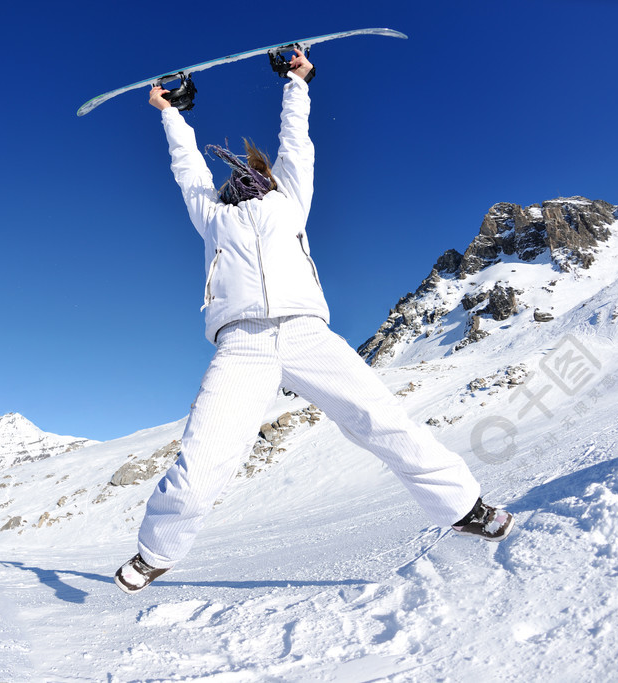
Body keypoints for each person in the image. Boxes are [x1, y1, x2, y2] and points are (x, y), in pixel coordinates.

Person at [115, 49, 513, 594]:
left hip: (306, 333)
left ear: (264, 175)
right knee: (207, 453)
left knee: (380, 419)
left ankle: (465, 507)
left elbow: (296, 143)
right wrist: (169, 111)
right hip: (242, 344)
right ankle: (156, 553)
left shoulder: (289, 200)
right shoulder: (212, 216)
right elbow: (186, 167)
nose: (239, 180)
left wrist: (296, 82)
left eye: (249, 172)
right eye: (232, 177)